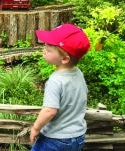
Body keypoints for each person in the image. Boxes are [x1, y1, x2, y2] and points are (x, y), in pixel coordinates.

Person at [30, 23, 91, 151]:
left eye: (49, 50)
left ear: (64, 59)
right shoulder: (78, 74)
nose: (44, 51)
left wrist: (36, 128)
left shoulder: (55, 81)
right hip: (78, 136)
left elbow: (49, 111)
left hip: (55, 139)